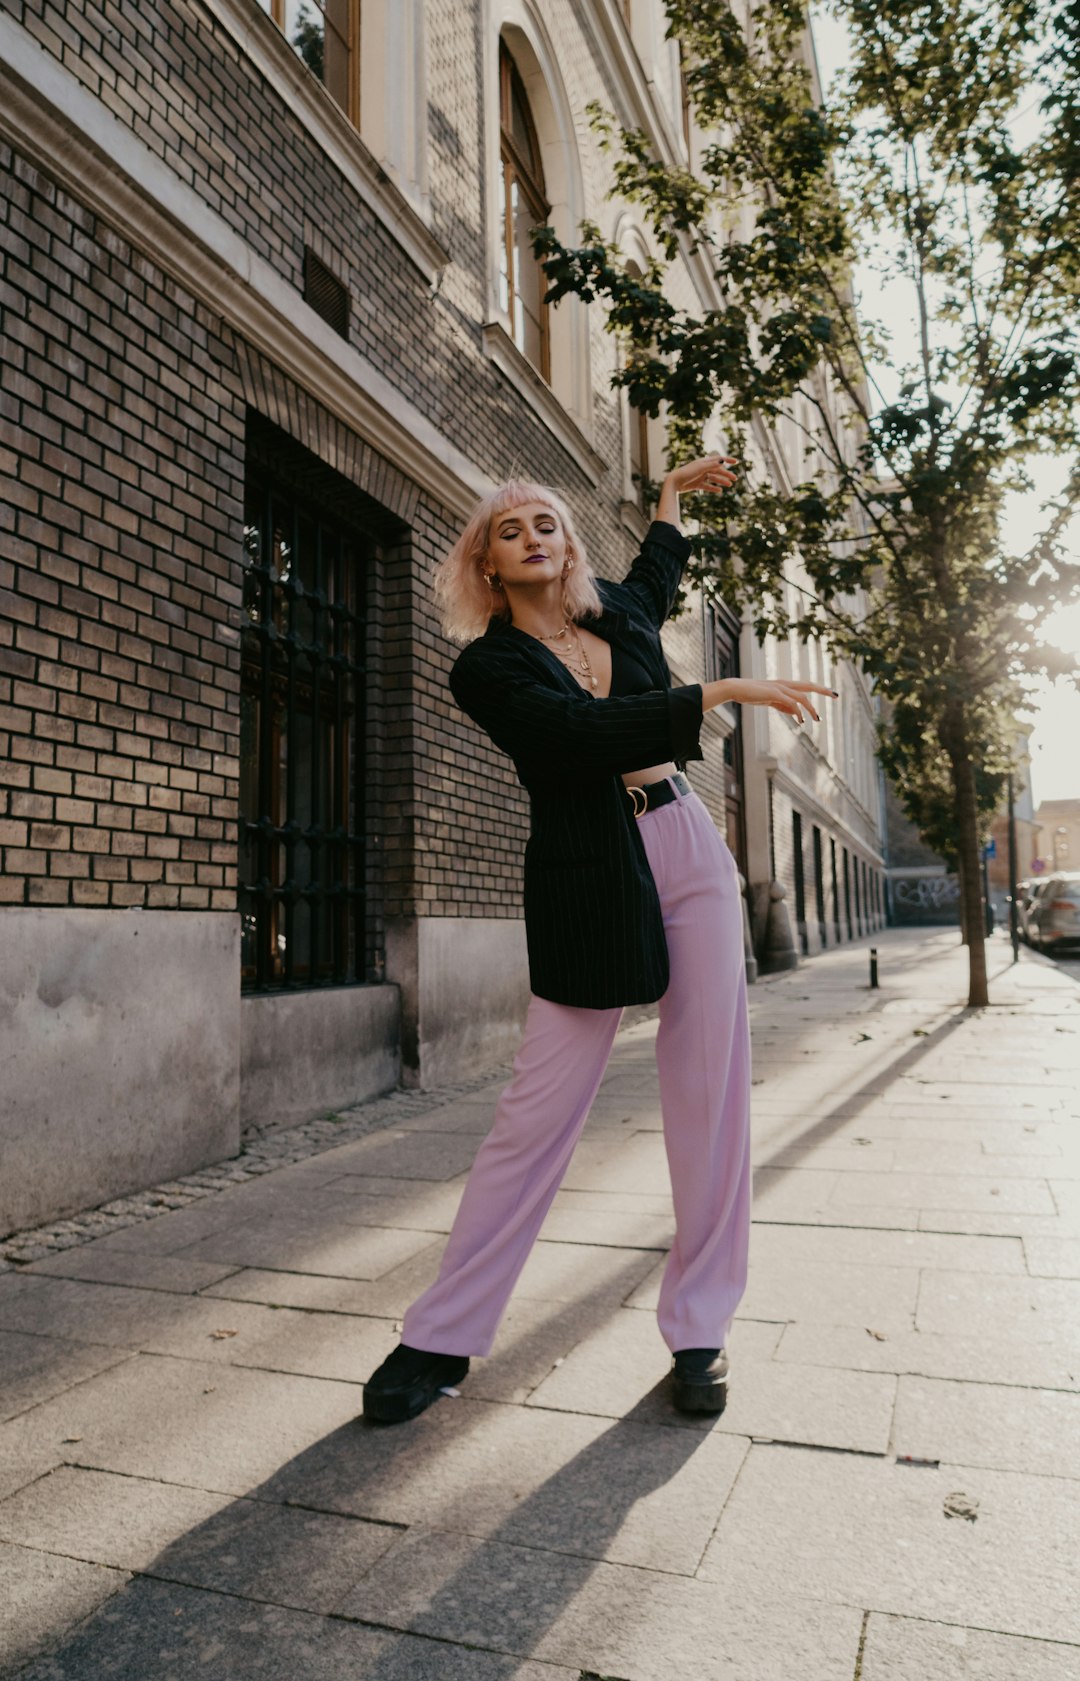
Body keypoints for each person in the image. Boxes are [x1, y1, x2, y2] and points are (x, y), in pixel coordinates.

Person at [363, 456, 835, 1424]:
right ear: (486, 564)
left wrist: (669, 502)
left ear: (568, 544)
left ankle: (700, 1327)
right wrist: (711, 696)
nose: (536, 535)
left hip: (686, 848)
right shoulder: (486, 666)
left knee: (709, 1090)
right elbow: (574, 738)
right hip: (588, 866)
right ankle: (441, 1335)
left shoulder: (615, 612)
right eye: (511, 529)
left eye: (548, 522)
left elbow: (657, 572)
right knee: (537, 1111)